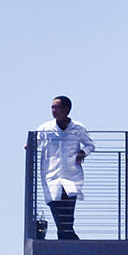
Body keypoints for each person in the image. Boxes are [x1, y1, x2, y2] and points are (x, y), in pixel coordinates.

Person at [34, 95, 95, 240]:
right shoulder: (46, 128)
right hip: (51, 175)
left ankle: (66, 238)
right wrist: (29, 146)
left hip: (71, 175)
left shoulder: (78, 128)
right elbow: (34, 141)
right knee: (56, 207)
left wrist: (82, 153)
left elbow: (90, 144)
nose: (53, 110)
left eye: (56, 107)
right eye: (52, 107)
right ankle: (69, 238)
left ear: (66, 109)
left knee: (68, 211)